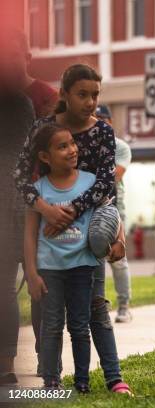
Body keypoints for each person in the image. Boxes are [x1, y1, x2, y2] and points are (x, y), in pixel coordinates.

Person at [14, 64, 132, 395]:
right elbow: (20, 177)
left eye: (95, 95)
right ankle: (49, 377)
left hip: (88, 236)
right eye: (83, 94)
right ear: (64, 95)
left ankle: (113, 376)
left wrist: (75, 215)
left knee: (95, 309)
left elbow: (107, 187)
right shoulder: (43, 128)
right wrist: (46, 209)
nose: (91, 102)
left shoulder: (102, 133)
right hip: (50, 236)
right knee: (48, 315)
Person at [23, 123, 103, 392]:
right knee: (52, 326)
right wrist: (32, 274)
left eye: (72, 143)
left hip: (82, 266)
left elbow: (107, 216)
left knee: (80, 327)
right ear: (45, 157)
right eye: (62, 146)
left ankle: (82, 380)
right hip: (50, 269)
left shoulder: (90, 182)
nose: (72, 150)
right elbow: (30, 235)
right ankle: (52, 380)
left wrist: (116, 241)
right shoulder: (38, 190)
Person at [0, 27, 58, 378]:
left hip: (39, 202)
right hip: (17, 202)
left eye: (11, 54)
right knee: (8, 284)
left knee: (40, 285)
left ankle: (44, 358)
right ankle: (7, 363)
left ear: (26, 57)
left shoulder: (42, 96)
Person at [0, 29, 36, 386]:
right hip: (17, 200)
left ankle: (7, 365)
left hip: (12, 204)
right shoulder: (20, 101)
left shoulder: (20, 103)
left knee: (6, 287)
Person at [95, 104, 133, 323]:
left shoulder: (120, 147)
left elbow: (114, 176)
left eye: (103, 118)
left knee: (117, 260)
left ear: (110, 121)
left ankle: (124, 306)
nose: (98, 121)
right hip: (90, 208)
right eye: (95, 117)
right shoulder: (85, 142)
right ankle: (98, 306)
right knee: (91, 261)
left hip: (114, 209)